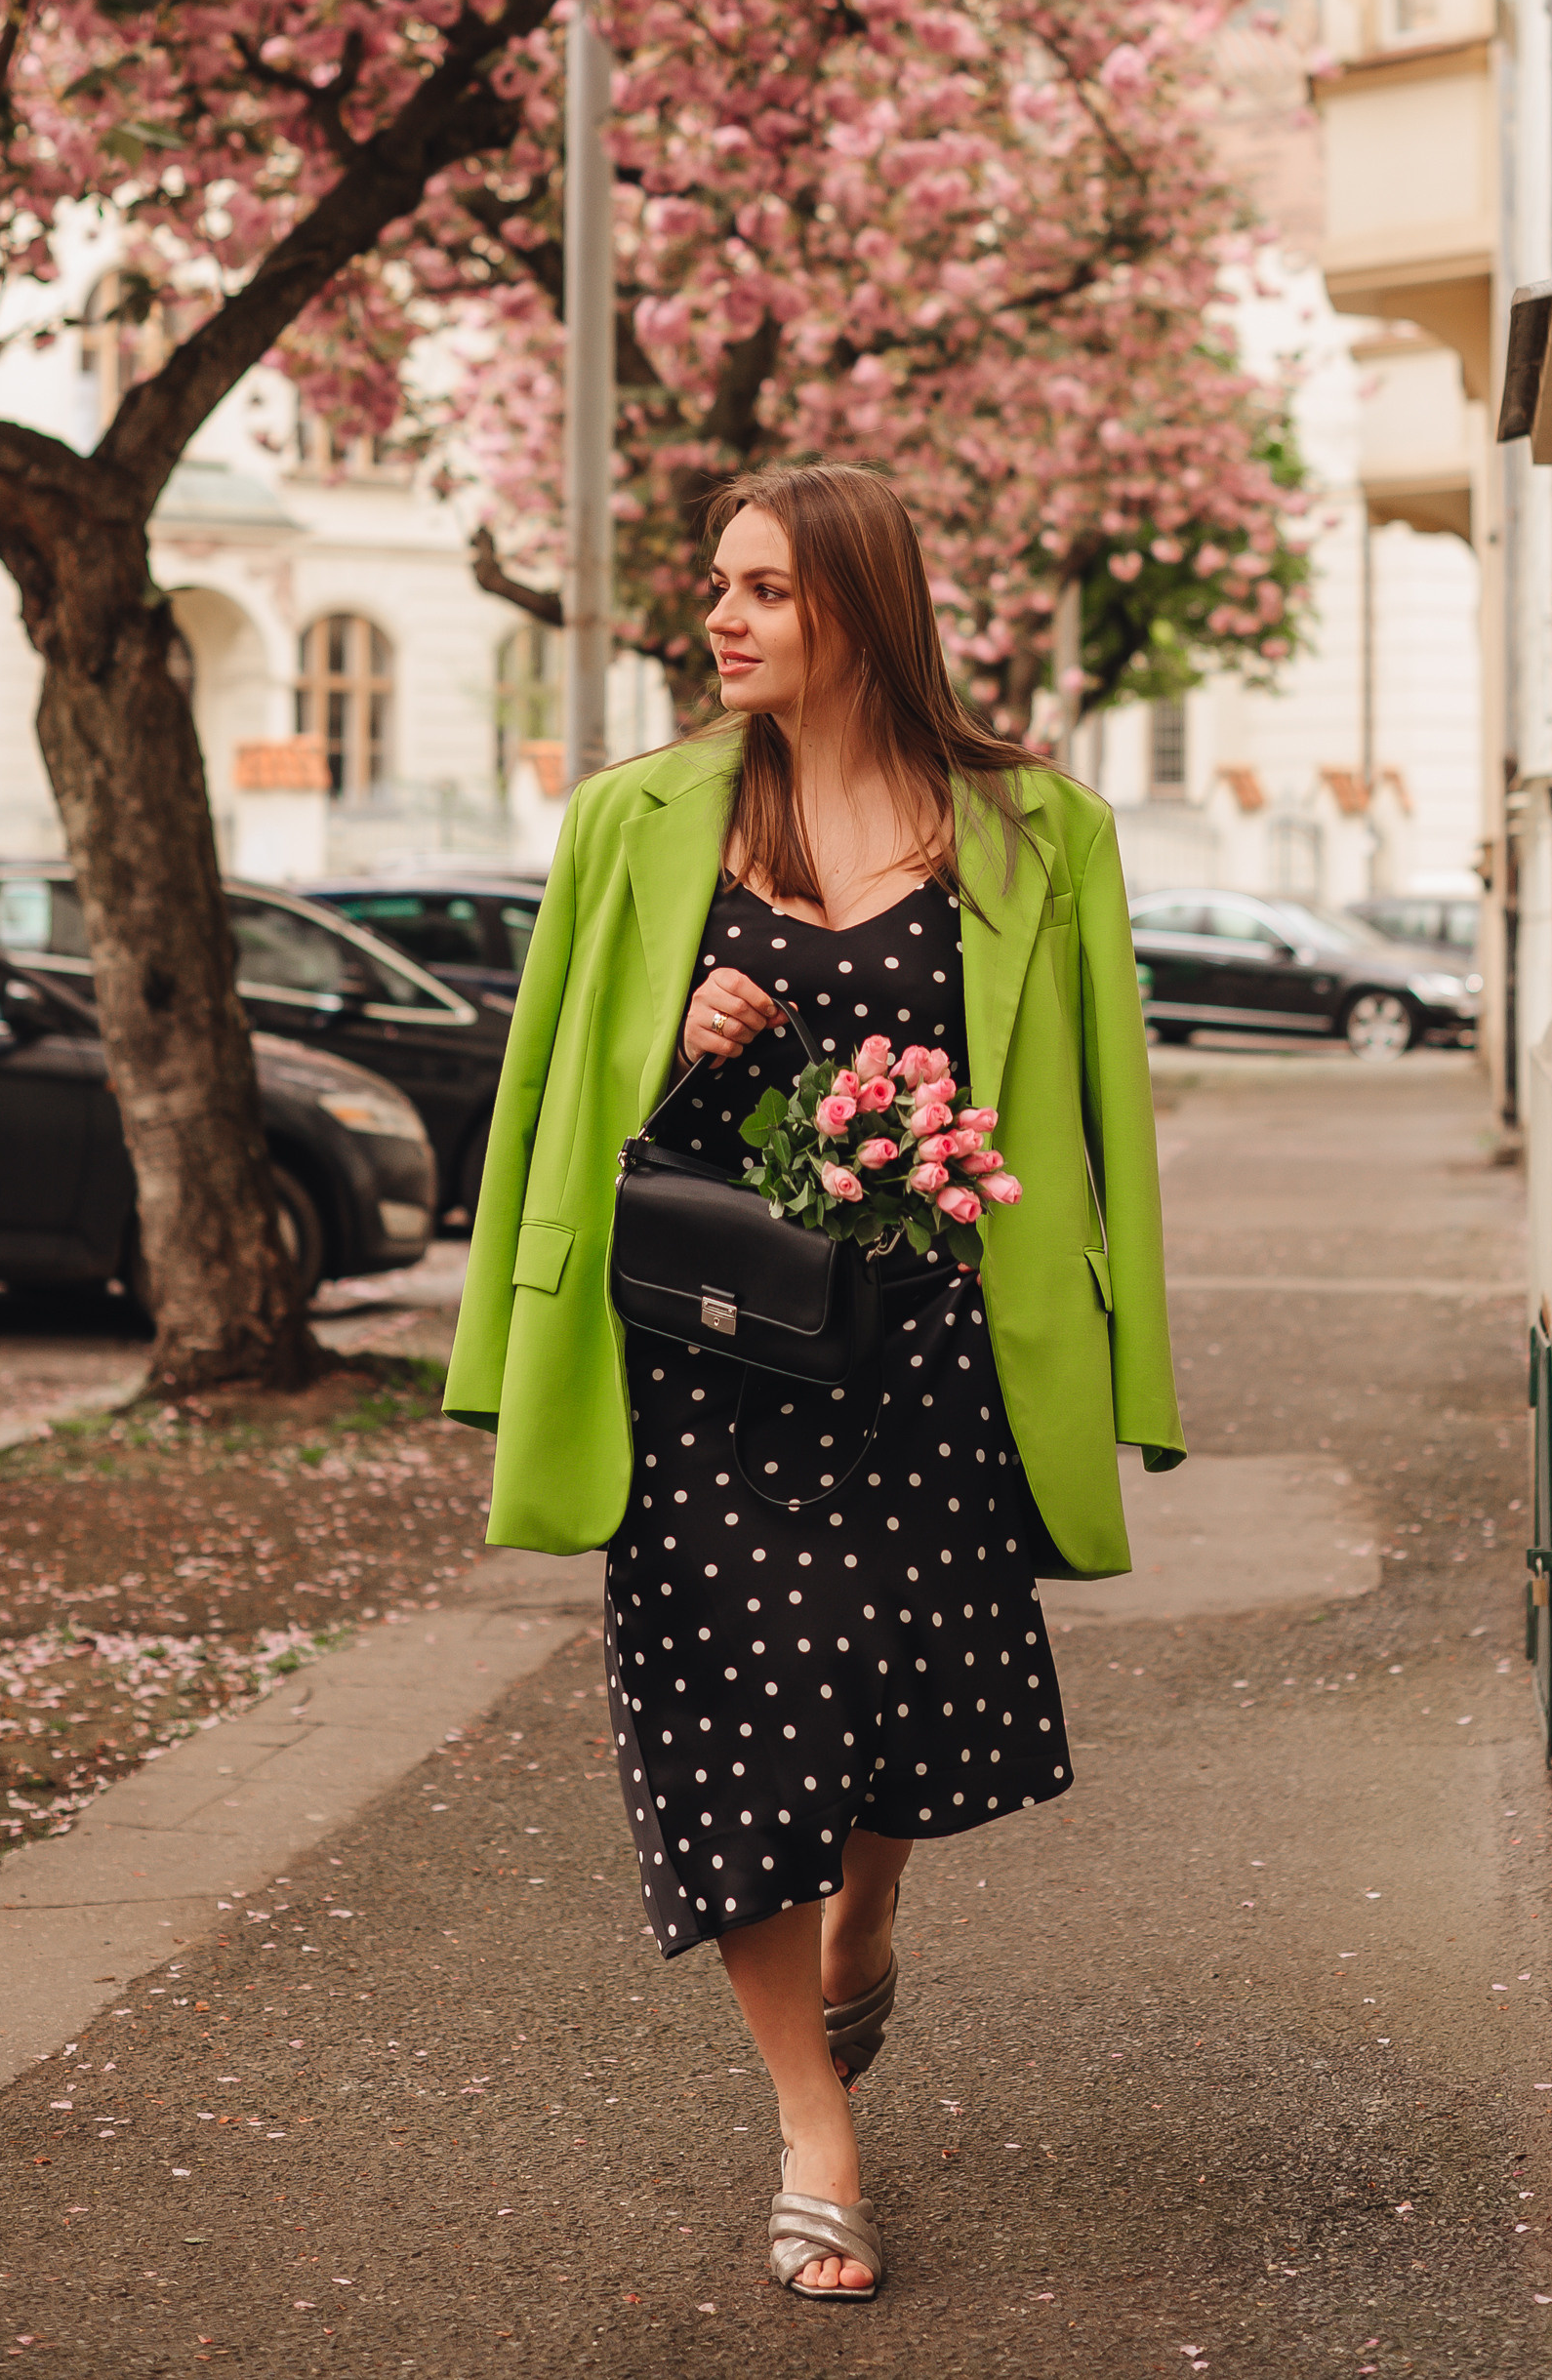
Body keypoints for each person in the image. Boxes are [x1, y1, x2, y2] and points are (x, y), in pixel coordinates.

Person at [444, 462, 1182, 2300]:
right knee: (729, 1718)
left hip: (932, 1353)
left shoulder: (1036, 833)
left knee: (900, 1722)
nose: (723, 617)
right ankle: (812, 2127)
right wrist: (676, 1055)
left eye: (763, 588)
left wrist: (1132, 1368)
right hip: (701, 1364)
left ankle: (866, 1931)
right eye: (718, 584)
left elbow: (1103, 1120)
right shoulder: (638, 821)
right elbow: (549, 1103)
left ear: (857, 602)